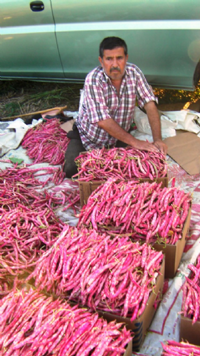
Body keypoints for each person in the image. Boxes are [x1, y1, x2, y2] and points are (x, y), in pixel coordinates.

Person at [64, 36, 167, 178]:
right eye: (109, 59)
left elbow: (149, 104)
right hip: (88, 138)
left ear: (126, 58)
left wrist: (158, 139)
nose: (114, 64)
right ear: (101, 60)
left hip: (119, 138)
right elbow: (103, 120)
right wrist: (135, 142)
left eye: (119, 58)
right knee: (72, 170)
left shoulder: (134, 73)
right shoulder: (94, 79)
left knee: (137, 169)